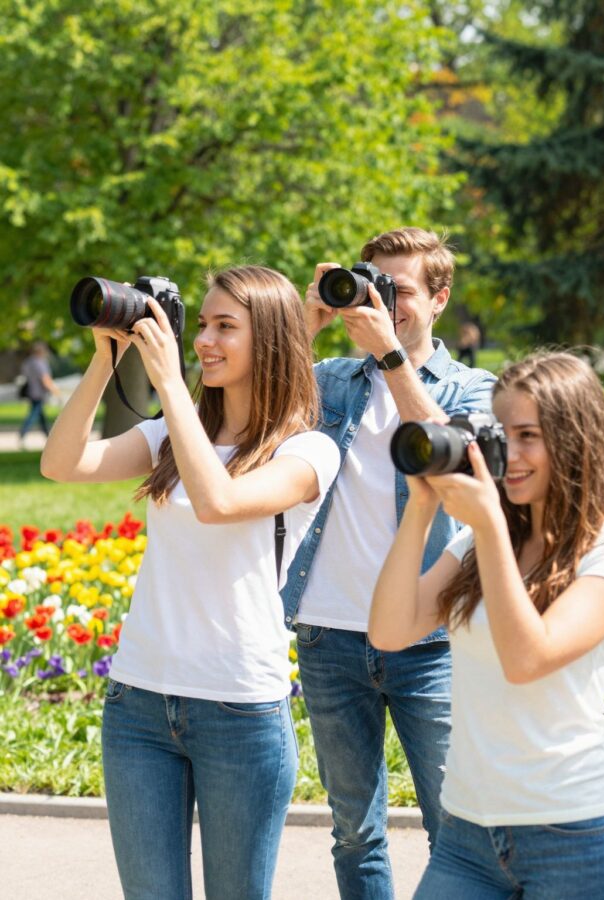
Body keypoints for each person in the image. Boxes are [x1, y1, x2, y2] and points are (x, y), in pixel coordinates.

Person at [41, 266, 341, 899]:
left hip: (239, 709)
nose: (203, 340)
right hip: (139, 704)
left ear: (272, 339)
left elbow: (219, 502)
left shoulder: (308, 451)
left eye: (225, 326)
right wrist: (105, 361)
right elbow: (61, 463)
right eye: (202, 324)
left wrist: (171, 384)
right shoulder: (169, 436)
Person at [369, 351, 604, 899]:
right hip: (467, 833)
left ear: (575, 441)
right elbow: (389, 631)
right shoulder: (476, 543)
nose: (510, 455)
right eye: (502, 435)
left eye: (529, 436)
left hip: (574, 834)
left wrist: (489, 527)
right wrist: (422, 508)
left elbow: (527, 659)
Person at [280, 227, 496, 898]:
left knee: (455, 826)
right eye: (373, 285)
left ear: (440, 299)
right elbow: (245, 409)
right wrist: (306, 324)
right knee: (354, 831)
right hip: (329, 633)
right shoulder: (328, 380)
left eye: (398, 290)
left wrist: (393, 356)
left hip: (432, 639)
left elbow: (455, 453)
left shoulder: (473, 385)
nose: (383, 302)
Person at [18, 341, 61, 447]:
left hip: (31, 391)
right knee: (34, 414)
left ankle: (48, 436)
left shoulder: (28, 362)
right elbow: (45, 379)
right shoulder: (39, 363)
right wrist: (54, 390)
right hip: (39, 392)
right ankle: (22, 433)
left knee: (41, 415)